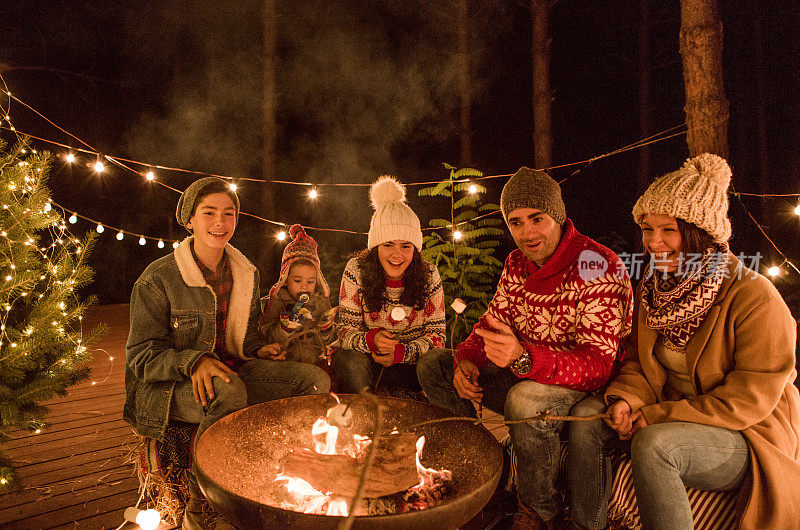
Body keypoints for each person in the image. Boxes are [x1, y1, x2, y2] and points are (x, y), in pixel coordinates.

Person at [569, 153, 800, 530]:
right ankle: (587, 524)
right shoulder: (653, 289)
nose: (654, 242)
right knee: (586, 418)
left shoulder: (754, 296)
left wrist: (658, 416)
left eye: (669, 230)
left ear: (700, 234)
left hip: (747, 431)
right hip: (676, 414)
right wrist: (629, 398)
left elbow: (750, 399)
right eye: (647, 229)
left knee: (656, 446)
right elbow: (640, 364)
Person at [417, 167, 633, 529]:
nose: (527, 233)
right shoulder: (516, 263)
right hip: (526, 371)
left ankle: (539, 511)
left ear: (558, 217)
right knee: (435, 364)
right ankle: (480, 474)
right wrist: (467, 361)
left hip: (585, 391)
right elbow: (490, 324)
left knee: (525, 399)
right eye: (516, 222)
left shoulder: (597, 264)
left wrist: (525, 358)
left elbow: (598, 365)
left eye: (538, 218)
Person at [123, 177, 330, 530]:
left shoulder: (243, 273)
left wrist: (259, 348)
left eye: (228, 213)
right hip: (168, 386)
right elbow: (142, 356)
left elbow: (244, 339)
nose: (220, 222)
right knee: (230, 390)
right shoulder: (158, 279)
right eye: (209, 212)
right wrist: (194, 360)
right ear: (189, 219)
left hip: (231, 369)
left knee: (314, 381)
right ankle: (201, 511)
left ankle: (290, 482)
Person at [333, 175, 446, 395]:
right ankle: (364, 414)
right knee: (349, 360)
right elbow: (345, 332)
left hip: (410, 363)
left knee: (436, 361)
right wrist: (371, 340)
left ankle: (412, 405)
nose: (397, 255)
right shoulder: (356, 270)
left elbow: (438, 337)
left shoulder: (429, 274)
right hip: (367, 361)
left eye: (406, 246)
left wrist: (402, 352)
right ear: (376, 247)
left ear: (416, 248)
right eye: (388, 245)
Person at [260, 224, 337, 365]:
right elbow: (267, 339)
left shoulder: (319, 302)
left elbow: (332, 340)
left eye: (310, 282)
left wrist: (327, 330)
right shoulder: (276, 301)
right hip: (285, 363)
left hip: (315, 362)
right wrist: (285, 328)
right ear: (285, 279)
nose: (304, 286)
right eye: (297, 280)